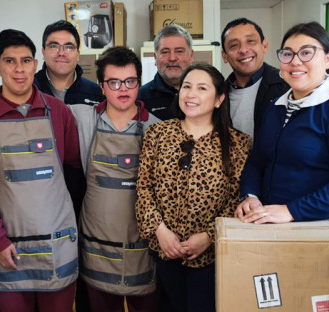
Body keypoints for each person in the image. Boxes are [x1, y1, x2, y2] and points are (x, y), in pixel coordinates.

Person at [0, 29, 80, 312]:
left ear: (35, 64)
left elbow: (75, 165)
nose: (19, 69)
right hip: (11, 249)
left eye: (26, 61)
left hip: (58, 246)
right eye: (10, 61)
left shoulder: (58, 112)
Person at [235, 22, 329, 234]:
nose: (295, 62)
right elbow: (258, 161)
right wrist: (250, 196)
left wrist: (291, 211)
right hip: (272, 229)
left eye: (306, 53)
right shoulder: (276, 107)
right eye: (287, 54)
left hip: (325, 233)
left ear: (328, 59)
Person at [136, 63, 251, 312]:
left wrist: (209, 236)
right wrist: (160, 230)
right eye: (186, 87)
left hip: (211, 256)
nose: (191, 94)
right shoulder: (157, 134)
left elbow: (236, 201)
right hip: (164, 250)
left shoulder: (237, 144)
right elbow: (144, 188)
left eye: (201, 88)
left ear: (219, 99)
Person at [69, 46, 160, 312]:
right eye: (114, 82)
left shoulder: (157, 128)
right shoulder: (80, 118)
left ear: (139, 83)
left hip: (141, 248)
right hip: (97, 246)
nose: (123, 89)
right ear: (101, 86)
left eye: (130, 81)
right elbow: (39, 107)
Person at [221, 17, 329, 139]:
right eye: (234, 45)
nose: (243, 50)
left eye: (250, 41)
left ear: (264, 46)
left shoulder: (290, 84)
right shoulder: (218, 94)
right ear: (224, 55)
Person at [34, 20, 105, 105]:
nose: (61, 53)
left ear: (78, 54)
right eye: (53, 46)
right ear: (43, 52)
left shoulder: (96, 93)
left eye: (69, 47)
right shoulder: (29, 89)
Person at [138, 24, 194, 121]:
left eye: (179, 51)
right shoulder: (140, 99)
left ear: (191, 56)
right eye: (165, 52)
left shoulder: (205, 95)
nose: (172, 58)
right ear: (155, 58)